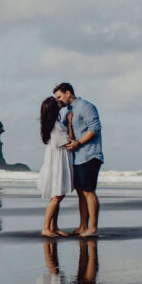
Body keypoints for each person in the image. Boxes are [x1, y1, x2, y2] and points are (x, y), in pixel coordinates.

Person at [53, 83, 103, 238]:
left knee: (89, 191)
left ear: (68, 93)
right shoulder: (67, 111)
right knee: (81, 193)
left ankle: (93, 228)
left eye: (59, 97)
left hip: (90, 155)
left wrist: (79, 143)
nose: (58, 101)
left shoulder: (85, 106)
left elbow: (95, 128)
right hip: (76, 158)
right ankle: (83, 226)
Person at [36, 96, 73, 237]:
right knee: (57, 196)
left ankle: (54, 227)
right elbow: (67, 142)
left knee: (56, 195)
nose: (60, 102)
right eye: (57, 102)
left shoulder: (51, 123)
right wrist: (70, 124)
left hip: (55, 161)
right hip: (58, 162)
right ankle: (46, 227)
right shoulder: (56, 125)